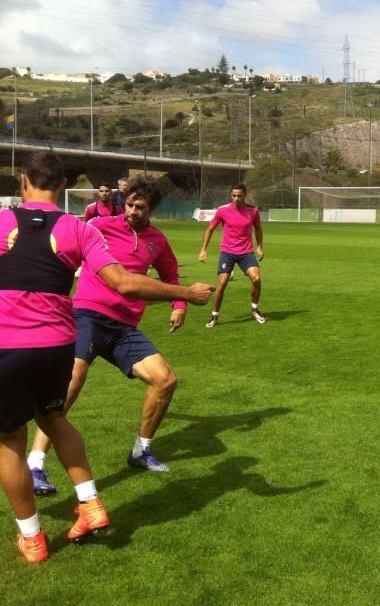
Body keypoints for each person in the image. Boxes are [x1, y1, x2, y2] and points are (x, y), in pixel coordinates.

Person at [0, 151, 211, 563]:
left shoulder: (2, 222)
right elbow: (124, 283)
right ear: (63, 186)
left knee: (8, 439)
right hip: (59, 340)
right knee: (55, 415)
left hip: (9, 342)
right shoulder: (82, 229)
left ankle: (33, 539)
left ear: (23, 181)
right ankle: (90, 501)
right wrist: (186, 295)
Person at [28, 177, 193, 495]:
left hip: (124, 327)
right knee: (73, 378)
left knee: (165, 380)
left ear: (152, 209)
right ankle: (36, 463)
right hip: (88, 314)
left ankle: (140, 451)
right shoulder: (99, 226)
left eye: (140, 207)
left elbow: (171, 274)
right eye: (129, 204)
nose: (132, 211)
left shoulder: (156, 240)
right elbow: (63, 248)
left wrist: (179, 303)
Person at [199, 184, 265, 328]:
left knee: (257, 278)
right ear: (231, 196)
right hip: (227, 252)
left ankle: (254, 309)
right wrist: (203, 249)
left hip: (246, 252)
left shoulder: (252, 211)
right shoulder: (222, 211)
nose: (236, 198)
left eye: (239, 196)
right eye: (234, 195)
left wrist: (260, 246)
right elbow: (210, 230)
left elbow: (258, 229)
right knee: (222, 283)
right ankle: (214, 316)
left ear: (245, 195)